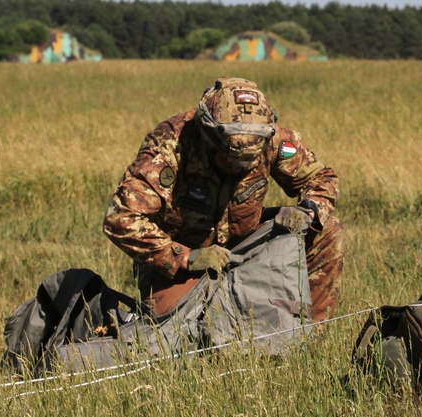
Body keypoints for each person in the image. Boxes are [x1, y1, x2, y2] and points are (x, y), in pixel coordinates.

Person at [103, 76, 344, 323]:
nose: (242, 166)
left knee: (328, 230)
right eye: (232, 158)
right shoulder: (170, 146)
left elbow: (321, 178)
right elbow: (121, 218)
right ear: (209, 137)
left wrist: (308, 211)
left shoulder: (272, 139)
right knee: (174, 332)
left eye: (250, 160)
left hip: (247, 244)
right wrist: (185, 257)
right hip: (183, 259)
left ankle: (309, 336)